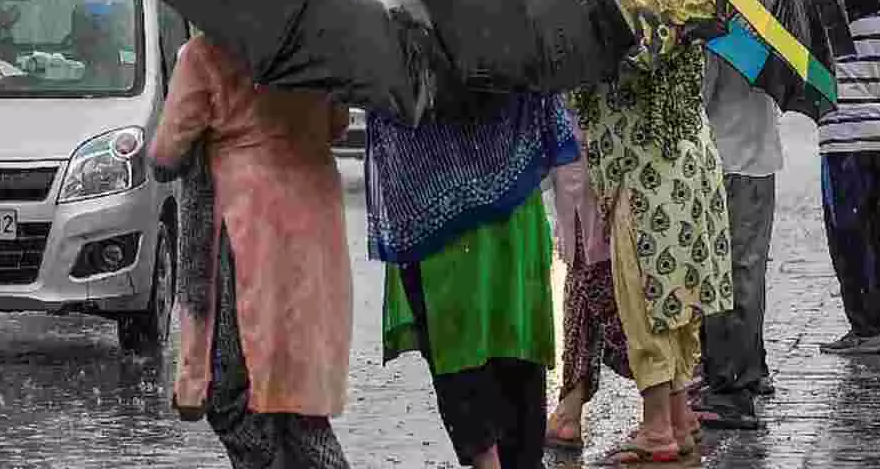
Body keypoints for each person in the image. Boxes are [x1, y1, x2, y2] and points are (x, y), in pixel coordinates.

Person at [150, 34, 354, 468]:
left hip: (246, 226)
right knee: (299, 385)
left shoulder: (206, 52)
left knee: (230, 389)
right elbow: (337, 126)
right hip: (313, 225)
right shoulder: (320, 48)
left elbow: (165, 155)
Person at [372, 90, 576, 469]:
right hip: (512, 211)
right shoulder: (522, 36)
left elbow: (382, 119)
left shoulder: (400, 39)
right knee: (514, 348)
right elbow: (554, 127)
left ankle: (488, 461)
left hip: (434, 217)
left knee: (458, 351)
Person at [571, 41, 731, 463]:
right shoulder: (680, 5)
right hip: (692, 161)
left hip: (645, 176)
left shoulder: (621, 28)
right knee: (681, 301)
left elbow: (582, 95)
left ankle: (657, 425)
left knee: (648, 303)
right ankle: (678, 417)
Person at [691, 58, 783, 430]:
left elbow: (698, 101)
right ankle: (750, 367)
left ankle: (731, 389)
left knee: (729, 274)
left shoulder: (722, 38)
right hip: (759, 162)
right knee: (748, 269)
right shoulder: (769, 34)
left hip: (729, 161)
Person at [818, 0, 880, 355]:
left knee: (848, 238)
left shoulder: (826, 10)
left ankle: (865, 329)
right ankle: (877, 323)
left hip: (843, 137)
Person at [544, 115, 632, 451]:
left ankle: (669, 402)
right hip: (589, 178)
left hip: (596, 179)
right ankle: (569, 408)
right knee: (582, 294)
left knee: (604, 298)